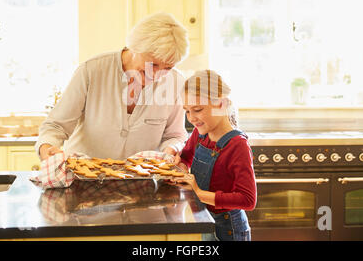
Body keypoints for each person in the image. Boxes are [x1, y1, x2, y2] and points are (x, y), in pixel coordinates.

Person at [35, 12, 189, 161]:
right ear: (135, 48)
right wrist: (47, 149)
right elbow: (56, 126)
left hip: (140, 181)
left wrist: (172, 148)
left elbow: (175, 135)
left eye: (167, 68)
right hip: (83, 179)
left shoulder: (175, 83)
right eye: (153, 64)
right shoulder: (92, 70)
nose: (156, 75)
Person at [175, 70, 257, 241]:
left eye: (197, 109)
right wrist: (180, 171)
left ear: (221, 103)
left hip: (228, 229)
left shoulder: (237, 145)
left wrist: (198, 192)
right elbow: (185, 157)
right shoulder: (201, 133)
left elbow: (248, 200)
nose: (191, 118)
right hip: (204, 218)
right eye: (187, 111)